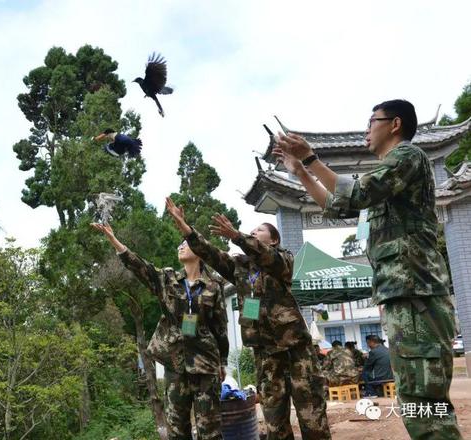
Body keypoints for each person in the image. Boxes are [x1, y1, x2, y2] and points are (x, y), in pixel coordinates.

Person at [274, 99, 461, 439]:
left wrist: (311, 158)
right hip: (405, 300)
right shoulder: (389, 182)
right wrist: (301, 171)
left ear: (395, 124)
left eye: (372, 121)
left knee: (426, 407)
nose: (366, 129)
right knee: (416, 403)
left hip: (416, 297)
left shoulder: (408, 157)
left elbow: (357, 192)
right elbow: (336, 204)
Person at [165, 197, 331, 440]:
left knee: (311, 412)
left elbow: (266, 256)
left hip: (295, 348)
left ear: (273, 239)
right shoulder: (240, 266)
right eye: (252, 231)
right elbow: (209, 253)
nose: (254, 232)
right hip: (265, 352)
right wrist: (185, 228)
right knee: (274, 419)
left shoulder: (283, 258)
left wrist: (238, 236)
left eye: (259, 230)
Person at [91, 222, 229, 440]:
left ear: (200, 251)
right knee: (177, 430)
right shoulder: (168, 279)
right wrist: (114, 241)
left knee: (210, 431)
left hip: (206, 364)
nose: (181, 246)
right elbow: (140, 267)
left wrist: (223, 361)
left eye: (186, 243)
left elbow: (220, 327)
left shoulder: (213, 285)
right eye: (180, 244)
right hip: (175, 363)